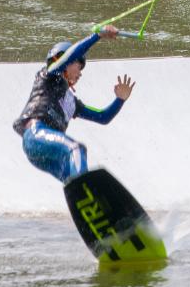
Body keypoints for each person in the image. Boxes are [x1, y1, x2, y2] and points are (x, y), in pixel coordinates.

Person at [12, 24, 135, 183]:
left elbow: (103, 117)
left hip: (42, 152)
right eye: (79, 65)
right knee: (76, 149)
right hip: (35, 135)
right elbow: (70, 55)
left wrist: (120, 99)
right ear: (62, 60)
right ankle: (86, 190)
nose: (81, 73)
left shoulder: (71, 103)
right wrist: (98, 35)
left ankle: (90, 203)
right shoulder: (49, 75)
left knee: (71, 177)